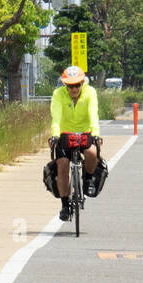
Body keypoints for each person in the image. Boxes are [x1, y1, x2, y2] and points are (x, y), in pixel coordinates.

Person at [48, 65, 102, 222]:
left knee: (92, 153)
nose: (74, 88)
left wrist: (96, 134)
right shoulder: (58, 94)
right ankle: (65, 205)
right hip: (65, 134)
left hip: (85, 132)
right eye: (71, 85)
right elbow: (56, 117)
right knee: (63, 165)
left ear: (82, 83)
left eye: (77, 84)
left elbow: (94, 114)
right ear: (66, 85)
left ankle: (89, 179)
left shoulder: (90, 92)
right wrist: (55, 135)